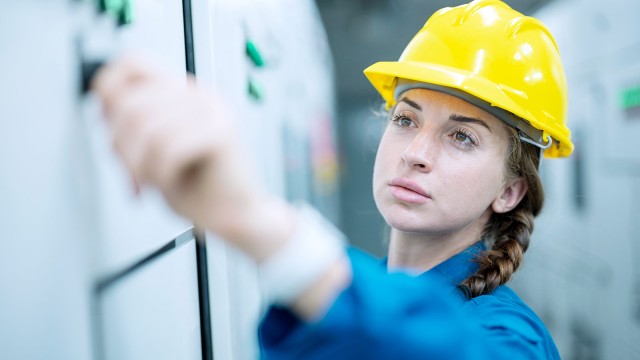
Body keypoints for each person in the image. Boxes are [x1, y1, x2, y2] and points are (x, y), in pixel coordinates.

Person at [93, 0, 572, 358]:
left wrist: (258, 224)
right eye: (406, 120)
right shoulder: (365, 290)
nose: (416, 154)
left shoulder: (508, 333)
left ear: (510, 192)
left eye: (462, 137)